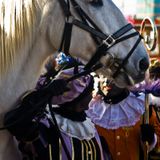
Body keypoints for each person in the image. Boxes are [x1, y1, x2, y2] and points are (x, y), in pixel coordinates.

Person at [4, 52, 112, 160]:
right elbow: (14, 122)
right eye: (90, 88)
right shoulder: (45, 123)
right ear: (78, 99)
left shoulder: (89, 126)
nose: (93, 91)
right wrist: (44, 94)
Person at [86, 62, 160, 160]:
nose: (108, 81)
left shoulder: (142, 108)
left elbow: (157, 145)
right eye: (104, 75)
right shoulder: (89, 109)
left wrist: (152, 139)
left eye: (114, 76)